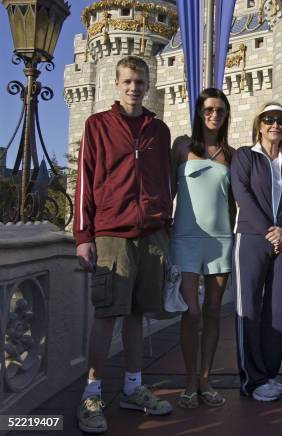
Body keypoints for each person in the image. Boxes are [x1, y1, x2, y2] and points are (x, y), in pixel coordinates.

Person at [73, 56, 173, 434]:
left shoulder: (158, 130)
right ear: (116, 83)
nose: (135, 87)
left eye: (141, 81)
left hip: (151, 234)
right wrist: (83, 236)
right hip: (111, 233)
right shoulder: (97, 125)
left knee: (137, 314)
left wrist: (165, 221)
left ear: (149, 84)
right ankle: (92, 395)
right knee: (106, 315)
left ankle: (132, 387)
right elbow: (84, 179)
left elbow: (164, 179)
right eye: (128, 81)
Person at [231, 102, 282, 402]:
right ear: (259, 125)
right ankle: (252, 379)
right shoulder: (245, 156)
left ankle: (270, 375)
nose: (275, 125)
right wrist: (268, 230)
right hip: (250, 237)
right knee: (248, 308)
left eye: (281, 121)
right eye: (269, 119)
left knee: (277, 309)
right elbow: (242, 195)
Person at [170, 88, 234, 409]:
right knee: (190, 312)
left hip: (220, 242)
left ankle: (205, 381)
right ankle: (189, 380)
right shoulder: (181, 147)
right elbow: (167, 191)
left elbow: (235, 204)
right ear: (199, 112)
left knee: (211, 311)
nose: (214, 115)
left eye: (220, 110)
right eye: (209, 109)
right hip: (184, 239)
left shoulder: (231, 154)